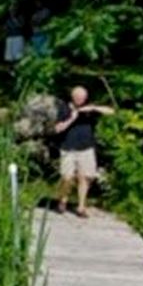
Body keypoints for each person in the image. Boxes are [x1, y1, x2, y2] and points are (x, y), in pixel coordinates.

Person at [54, 85, 115, 218]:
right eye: (78, 97)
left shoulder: (88, 109)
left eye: (83, 98)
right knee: (67, 177)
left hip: (86, 148)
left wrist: (93, 108)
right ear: (73, 96)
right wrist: (72, 118)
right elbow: (58, 129)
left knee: (85, 177)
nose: (80, 100)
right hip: (68, 148)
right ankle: (63, 199)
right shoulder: (64, 108)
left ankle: (81, 206)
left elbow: (112, 111)